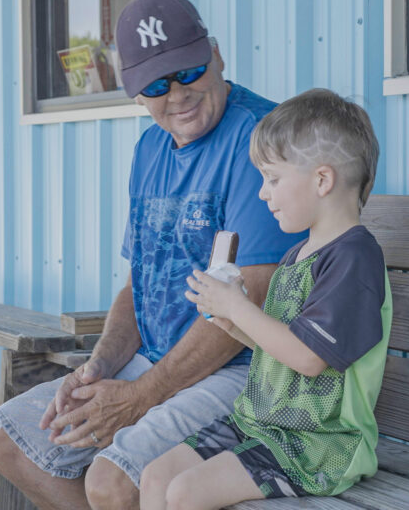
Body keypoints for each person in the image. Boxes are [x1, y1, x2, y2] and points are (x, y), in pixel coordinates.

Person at [0, 0, 305, 510]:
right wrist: (100, 367)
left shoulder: (262, 139)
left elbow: (256, 296)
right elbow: (142, 282)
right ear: (136, 94)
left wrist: (139, 397)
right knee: (9, 437)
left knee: (112, 481)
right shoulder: (149, 148)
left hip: (243, 371)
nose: (176, 94)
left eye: (189, 71)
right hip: (155, 363)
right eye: (156, 84)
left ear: (217, 55)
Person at [138, 88, 392, 509]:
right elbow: (280, 349)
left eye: (272, 179)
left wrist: (240, 307)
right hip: (262, 424)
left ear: (322, 180)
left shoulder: (353, 258)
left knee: (185, 493)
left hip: (317, 443)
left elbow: (310, 359)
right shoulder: (299, 255)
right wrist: (231, 322)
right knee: (156, 476)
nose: (262, 193)